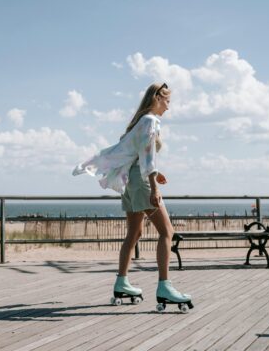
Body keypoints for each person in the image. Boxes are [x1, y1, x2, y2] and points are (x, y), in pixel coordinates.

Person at [73, 82, 193, 312]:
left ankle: (122, 282)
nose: (168, 107)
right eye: (167, 101)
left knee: (135, 232)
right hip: (140, 182)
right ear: (158, 98)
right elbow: (147, 156)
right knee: (167, 232)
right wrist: (154, 186)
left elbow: (136, 153)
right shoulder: (150, 121)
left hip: (132, 181)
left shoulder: (140, 122)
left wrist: (156, 174)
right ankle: (164, 287)